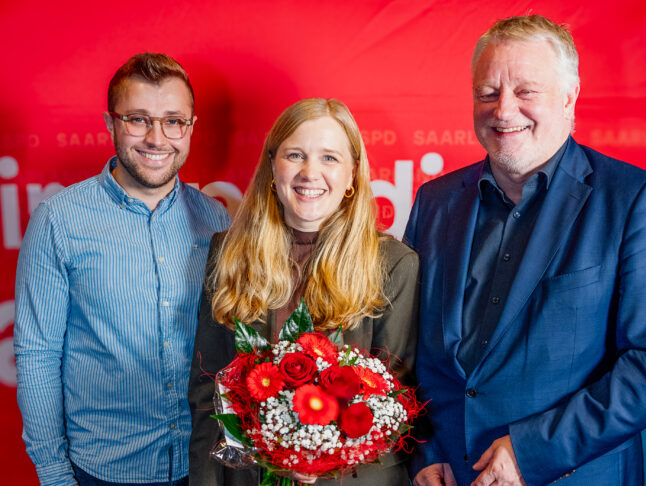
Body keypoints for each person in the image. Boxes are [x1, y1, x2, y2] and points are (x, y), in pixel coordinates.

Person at [405, 14, 646, 486]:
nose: (503, 110)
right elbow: (412, 349)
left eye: (525, 92)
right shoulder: (434, 203)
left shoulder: (632, 198)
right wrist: (425, 448)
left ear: (568, 97)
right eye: (487, 93)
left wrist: (533, 451)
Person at [14, 53, 230, 485]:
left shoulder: (217, 221)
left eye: (173, 121)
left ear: (190, 128)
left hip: (203, 465)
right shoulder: (59, 220)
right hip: (102, 472)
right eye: (138, 119)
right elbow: (37, 355)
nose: (156, 138)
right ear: (111, 123)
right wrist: (55, 475)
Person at [188, 98, 419, 486]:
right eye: (295, 155)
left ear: (352, 175)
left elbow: (396, 404)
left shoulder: (393, 264)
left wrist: (323, 459)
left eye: (329, 158)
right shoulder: (227, 253)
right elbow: (205, 394)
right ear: (272, 167)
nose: (310, 172)